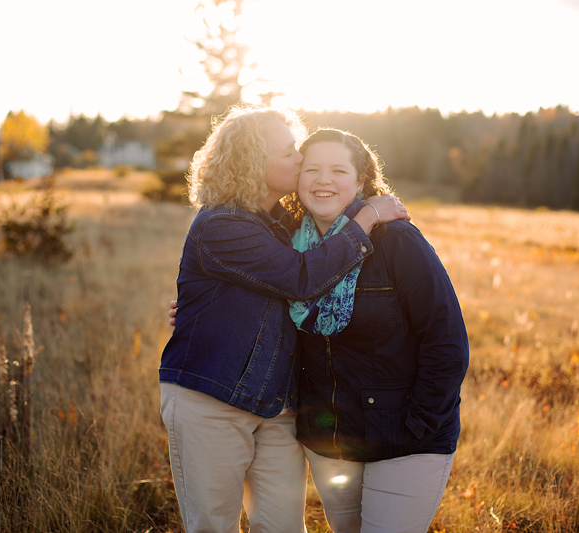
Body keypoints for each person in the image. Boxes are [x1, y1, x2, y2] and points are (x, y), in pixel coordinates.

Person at [159, 107, 409, 533]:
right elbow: (301, 277)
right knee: (213, 526)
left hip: (277, 404)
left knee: (283, 526)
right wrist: (366, 217)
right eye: (290, 151)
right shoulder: (221, 224)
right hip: (213, 400)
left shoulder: (286, 224)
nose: (300, 159)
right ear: (256, 163)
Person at [289, 129, 469, 533]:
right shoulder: (289, 249)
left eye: (338, 170)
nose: (323, 180)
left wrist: (417, 424)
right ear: (297, 178)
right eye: (312, 169)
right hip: (330, 441)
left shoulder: (397, 240)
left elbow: (447, 343)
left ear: (361, 182)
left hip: (406, 440)